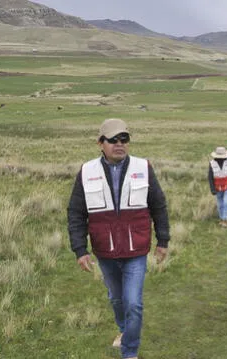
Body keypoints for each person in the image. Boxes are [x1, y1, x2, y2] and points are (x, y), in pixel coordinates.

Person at [67, 118, 170, 359]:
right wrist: (80, 250)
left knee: (133, 303)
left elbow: (159, 206)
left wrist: (163, 240)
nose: (119, 144)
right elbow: (76, 212)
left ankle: (130, 352)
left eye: (124, 139)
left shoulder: (144, 167)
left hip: (136, 250)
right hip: (105, 251)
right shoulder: (87, 171)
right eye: (113, 140)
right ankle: (124, 330)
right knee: (116, 299)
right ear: (100, 143)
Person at [208, 146, 227, 228]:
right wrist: (212, 188)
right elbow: (210, 177)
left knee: (226, 202)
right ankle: (221, 218)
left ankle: (225, 220)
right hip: (217, 187)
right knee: (220, 203)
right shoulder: (212, 164)